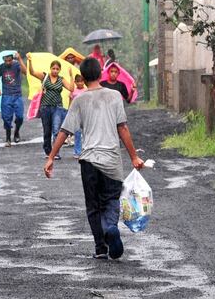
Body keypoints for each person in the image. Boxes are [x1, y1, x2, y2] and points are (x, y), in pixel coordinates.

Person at [43, 57, 144, 260]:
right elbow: (122, 127)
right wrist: (134, 156)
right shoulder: (114, 96)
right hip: (112, 161)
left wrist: (51, 157)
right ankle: (110, 228)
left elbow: (64, 130)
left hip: (88, 161)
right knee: (111, 199)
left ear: (84, 76)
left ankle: (100, 248)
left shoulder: (79, 100)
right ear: (100, 74)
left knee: (93, 205)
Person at [27, 55, 74, 160]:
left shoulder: (61, 80)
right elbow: (32, 72)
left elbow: (71, 88)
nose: (55, 71)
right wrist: (30, 62)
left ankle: (56, 152)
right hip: (45, 107)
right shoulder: (45, 77)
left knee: (56, 130)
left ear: (60, 70)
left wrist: (71, 76)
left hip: (57, 107)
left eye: (57, 69)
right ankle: (48, 151)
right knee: (46, 131)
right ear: (50, 68)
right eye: (53, 68)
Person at [0, 53, 27, 147]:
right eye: (6, 60)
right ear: (3, 59)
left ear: (12, 59)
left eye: (9, 60)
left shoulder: (17, 64)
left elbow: (25, 72)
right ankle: (8, 137)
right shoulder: (0, 68)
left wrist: (20, 58)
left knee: (20, 117)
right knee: (6, 118)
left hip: (17, 94)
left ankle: (17, 131)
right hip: (6, 95)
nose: (8, 62)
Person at [70, 74, 87, 159]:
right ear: (75, 82)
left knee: (86, 133)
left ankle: (86, 150)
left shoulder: (87, 91)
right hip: (76, 115)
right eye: (78, 81)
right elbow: (71, 104)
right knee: (77, 134)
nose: (80, 83)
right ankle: (77, 151)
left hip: (85, 115)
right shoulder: (73, 92)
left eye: (82, 81)